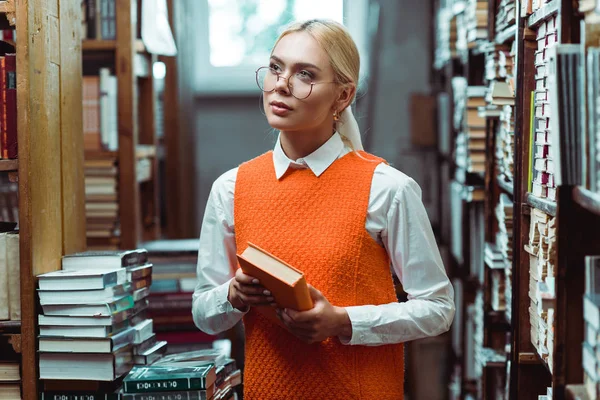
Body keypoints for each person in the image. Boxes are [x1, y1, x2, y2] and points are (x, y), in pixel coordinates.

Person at [192, 19, 455, 400]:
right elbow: (204, 313)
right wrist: (232, 295)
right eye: (276, 67)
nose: (281, 84)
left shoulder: (387, 188)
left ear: (343, 96)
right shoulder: (231, 188)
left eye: (305, 75)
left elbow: (438, 308)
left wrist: (342, 322)